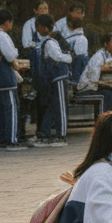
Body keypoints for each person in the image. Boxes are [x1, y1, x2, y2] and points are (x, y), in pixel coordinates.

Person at [0, 8, 23, 151]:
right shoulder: (2, 36)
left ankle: (1, 140)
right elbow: (10, 55)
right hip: (6, 77)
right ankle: (11, 141)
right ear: (7, 22)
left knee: (1, 110)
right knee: (11, 109)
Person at [34, 13, 73, 148]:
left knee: (60, 106)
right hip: (53, 78)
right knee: (52, 106)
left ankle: (61, 136)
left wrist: (68, 57)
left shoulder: (50, 43)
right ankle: (44, 134)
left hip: (58, 77)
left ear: (43, 28)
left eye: (38, 27)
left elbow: (58, 57)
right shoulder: (46, 42)